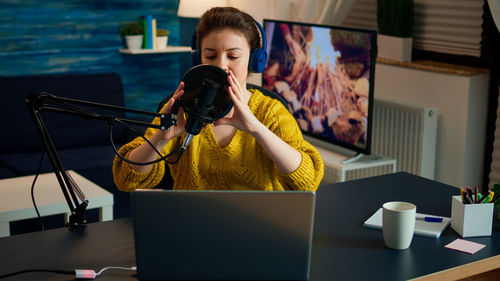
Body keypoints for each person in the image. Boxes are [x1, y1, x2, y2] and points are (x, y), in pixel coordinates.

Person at [113, 7, 324, 191]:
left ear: (254, 60)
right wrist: (161, 138)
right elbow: (126, 179)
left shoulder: (271, 111)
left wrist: (256, 128)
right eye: (211, 56)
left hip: (261, 230)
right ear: (198, 58)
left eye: (233, 56)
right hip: (194, 227)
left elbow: (309, 181)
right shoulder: (181, 107)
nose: (221, 66)